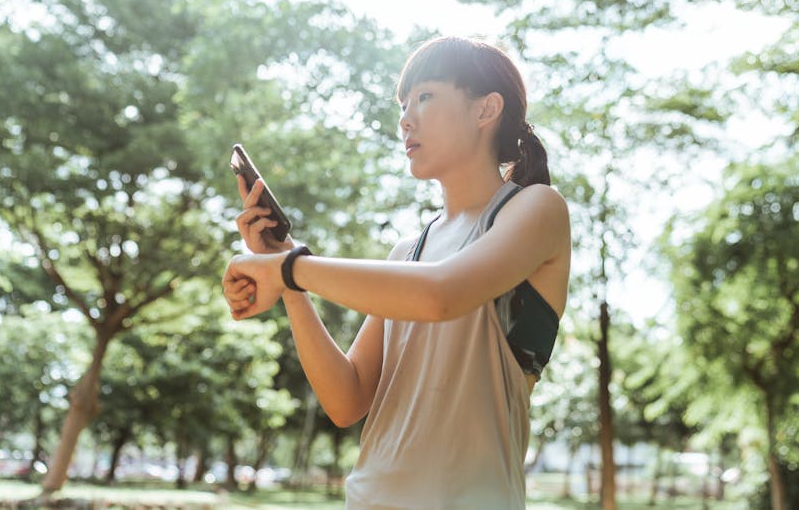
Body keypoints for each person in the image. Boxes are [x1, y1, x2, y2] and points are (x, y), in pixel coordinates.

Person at [222, 36, 571, 509]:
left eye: (425, 97)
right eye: (403, 105)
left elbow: (442, 296)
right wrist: (290, 283)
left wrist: (288, 268)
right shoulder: (408, 252)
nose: (406, 118)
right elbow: (346, 400)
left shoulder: (536, 210)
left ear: (486, 108)